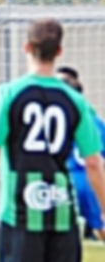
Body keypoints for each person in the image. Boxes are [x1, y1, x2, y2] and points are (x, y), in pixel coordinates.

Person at [0, 18, 105, 262]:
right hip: (62, 214)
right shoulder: (76, 101)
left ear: (26, 47)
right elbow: (93, 162)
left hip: (20, 213)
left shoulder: (8, 94)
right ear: (59, 51)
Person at [56, 66, 105, 242]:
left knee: (58, 236)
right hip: (93, 181)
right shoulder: (95, 121)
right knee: (100, 228)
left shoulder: (58, 120)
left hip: (66, 180)